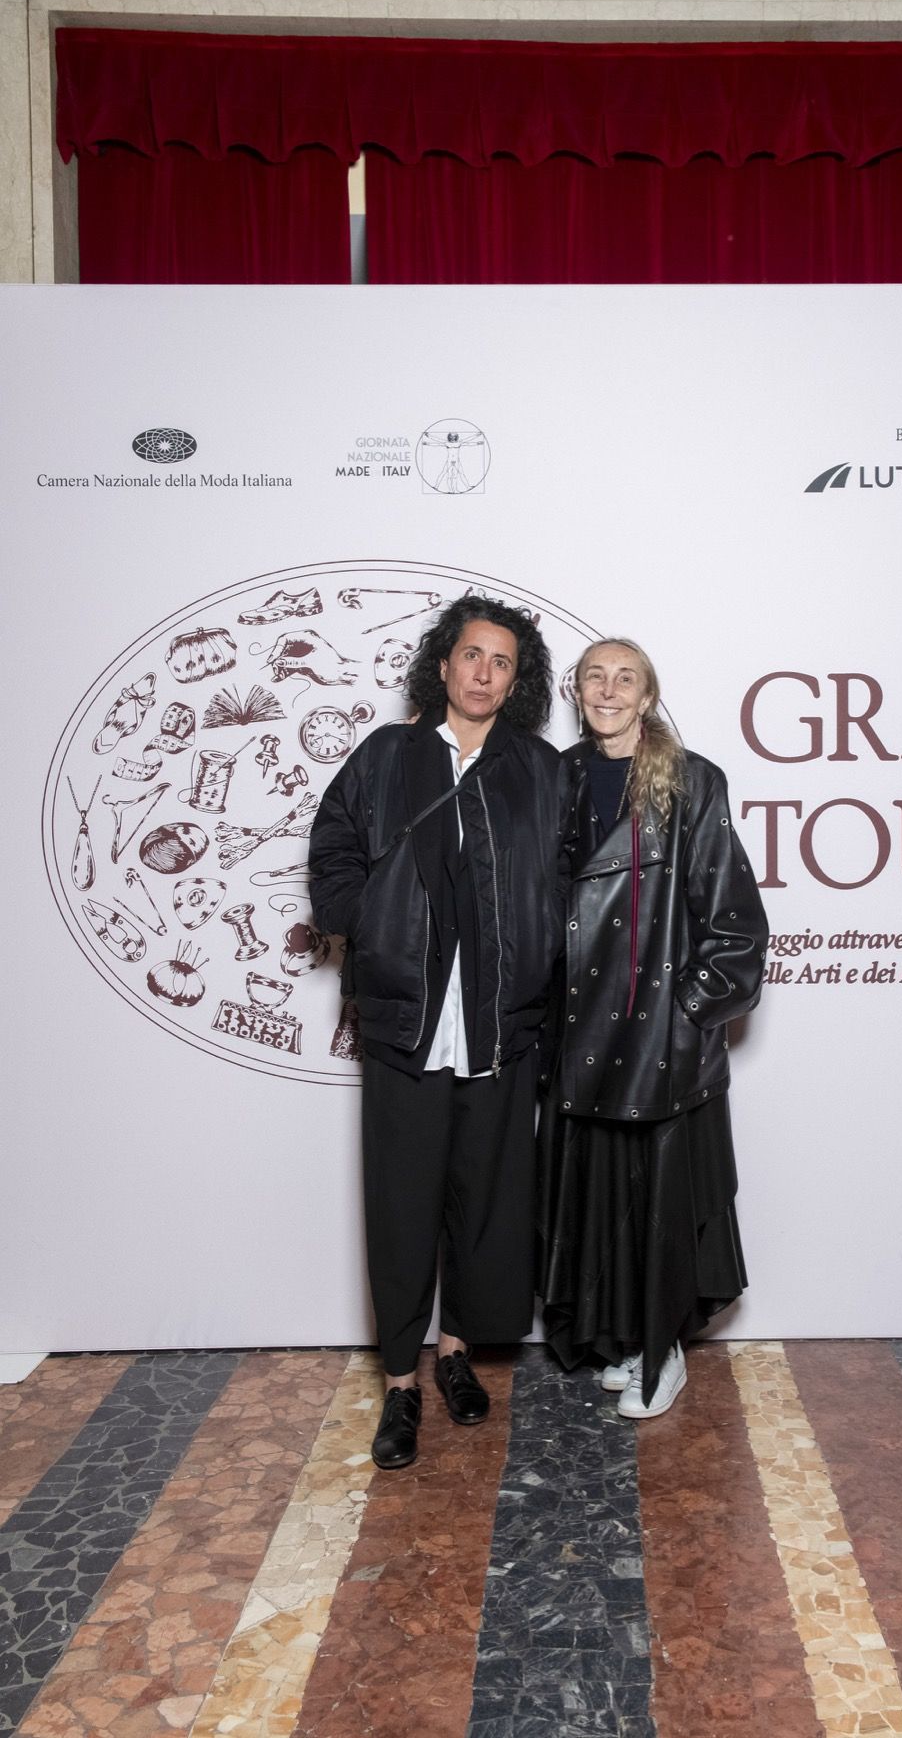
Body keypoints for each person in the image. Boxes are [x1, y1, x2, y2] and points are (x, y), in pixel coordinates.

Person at [309, 594, 563, 1468]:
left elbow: (567, 875)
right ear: (444, 664)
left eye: (503, 662)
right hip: (406, 1018)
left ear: (516, 681)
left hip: (500, 1023)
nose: (484, 673)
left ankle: (457, 1352)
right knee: (402, 1201)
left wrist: (544, 961)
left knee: (485, 1198)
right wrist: (364, 921)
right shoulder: (387, 756)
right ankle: (400, 1383)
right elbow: (334, 845)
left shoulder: (537, 767)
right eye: (472, 656)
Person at [538, 639, 768, 1418]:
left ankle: (661, 1349)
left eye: (624, 678)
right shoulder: (555, 777)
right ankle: (621, 1339)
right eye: (594, 677)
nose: (608, 690)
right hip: (578, 1032)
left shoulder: (691, 780)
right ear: (577, 692)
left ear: (646, 696)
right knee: (599, 1195)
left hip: (656, 1038)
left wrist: (687, 1013)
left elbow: (735, 920)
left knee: (660, 1199)